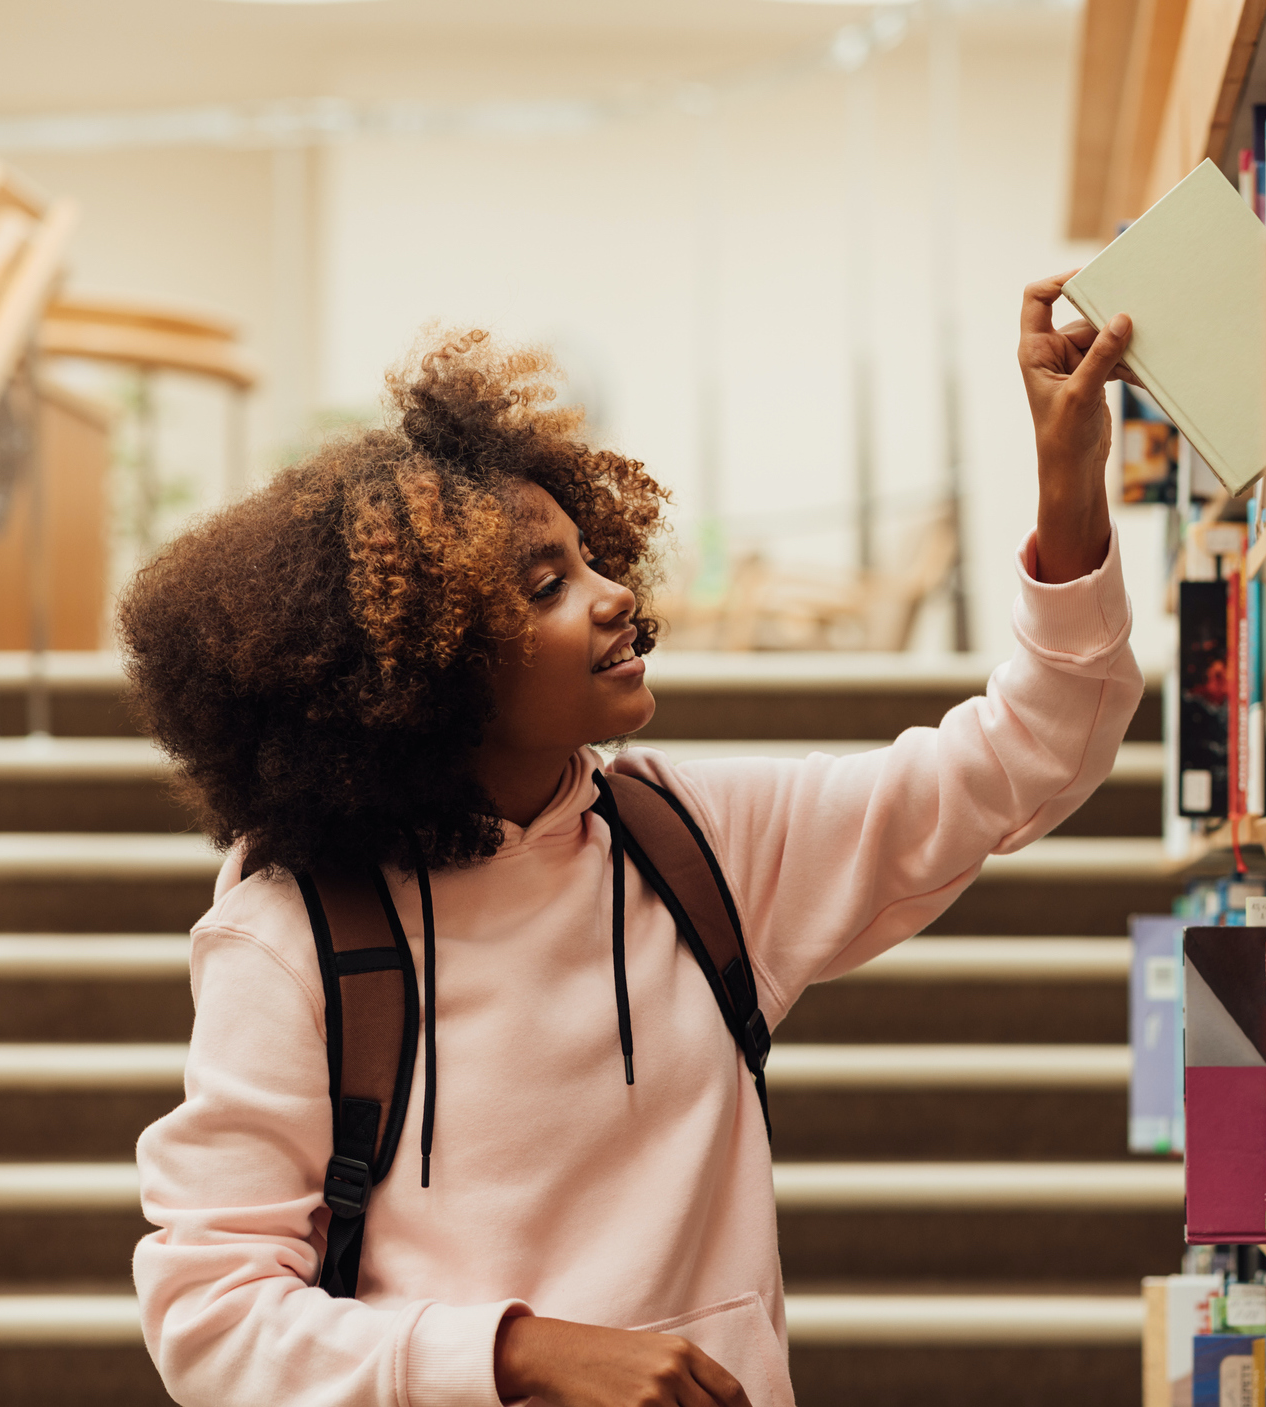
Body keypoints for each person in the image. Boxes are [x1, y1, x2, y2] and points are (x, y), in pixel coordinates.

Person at [126, 276, 1142, 1407]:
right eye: (547, 584)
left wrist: (1068, 483)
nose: (615, 597)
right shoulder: (292, 931)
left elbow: (1027, 754)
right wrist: (515, 1354)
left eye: (591, 559)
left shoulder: (693, 844)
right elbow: (211, 1319)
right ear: (422, 664)